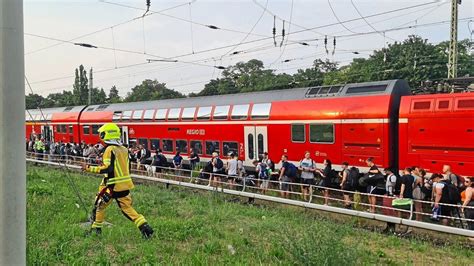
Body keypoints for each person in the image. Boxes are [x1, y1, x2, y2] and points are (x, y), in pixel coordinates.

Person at [82, 123, 153, 239]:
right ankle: (145, 227)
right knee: (127, 208)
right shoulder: (124, 149)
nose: (100, 137)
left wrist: (89, 168)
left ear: (106, 135)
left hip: (111, 186)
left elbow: (107, 168)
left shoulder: (109, 149)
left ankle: (96, 230)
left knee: (100, 205)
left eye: (101, 134)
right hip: (124, 185)